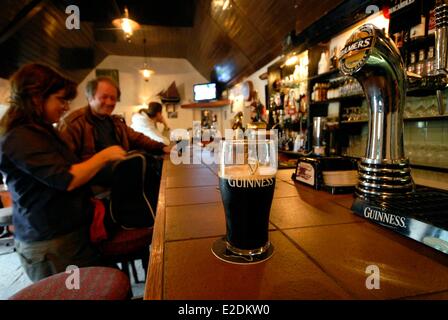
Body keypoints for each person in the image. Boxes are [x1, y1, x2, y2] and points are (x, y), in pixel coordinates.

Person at [0, 63, 126, 282]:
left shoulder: (41, 130)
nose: (65, 107)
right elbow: (66, 178)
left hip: (69, 234)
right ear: (36, 97)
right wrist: (105, 156)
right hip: (51, 243)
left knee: (104, 283)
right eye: (61, 99)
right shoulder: (20, 137)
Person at [58, 77, 169, 212]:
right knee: (138, 162)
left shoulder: (115, 122)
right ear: (90, 97)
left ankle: (157, 209)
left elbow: (137, 138)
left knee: (153, 162)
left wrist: (162, 147)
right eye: (104, 97)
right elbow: (64, 168)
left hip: (121, 168)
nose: (110, 102)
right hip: (93, 174)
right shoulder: (73, 123)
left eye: (113, 98)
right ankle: (141, 213)